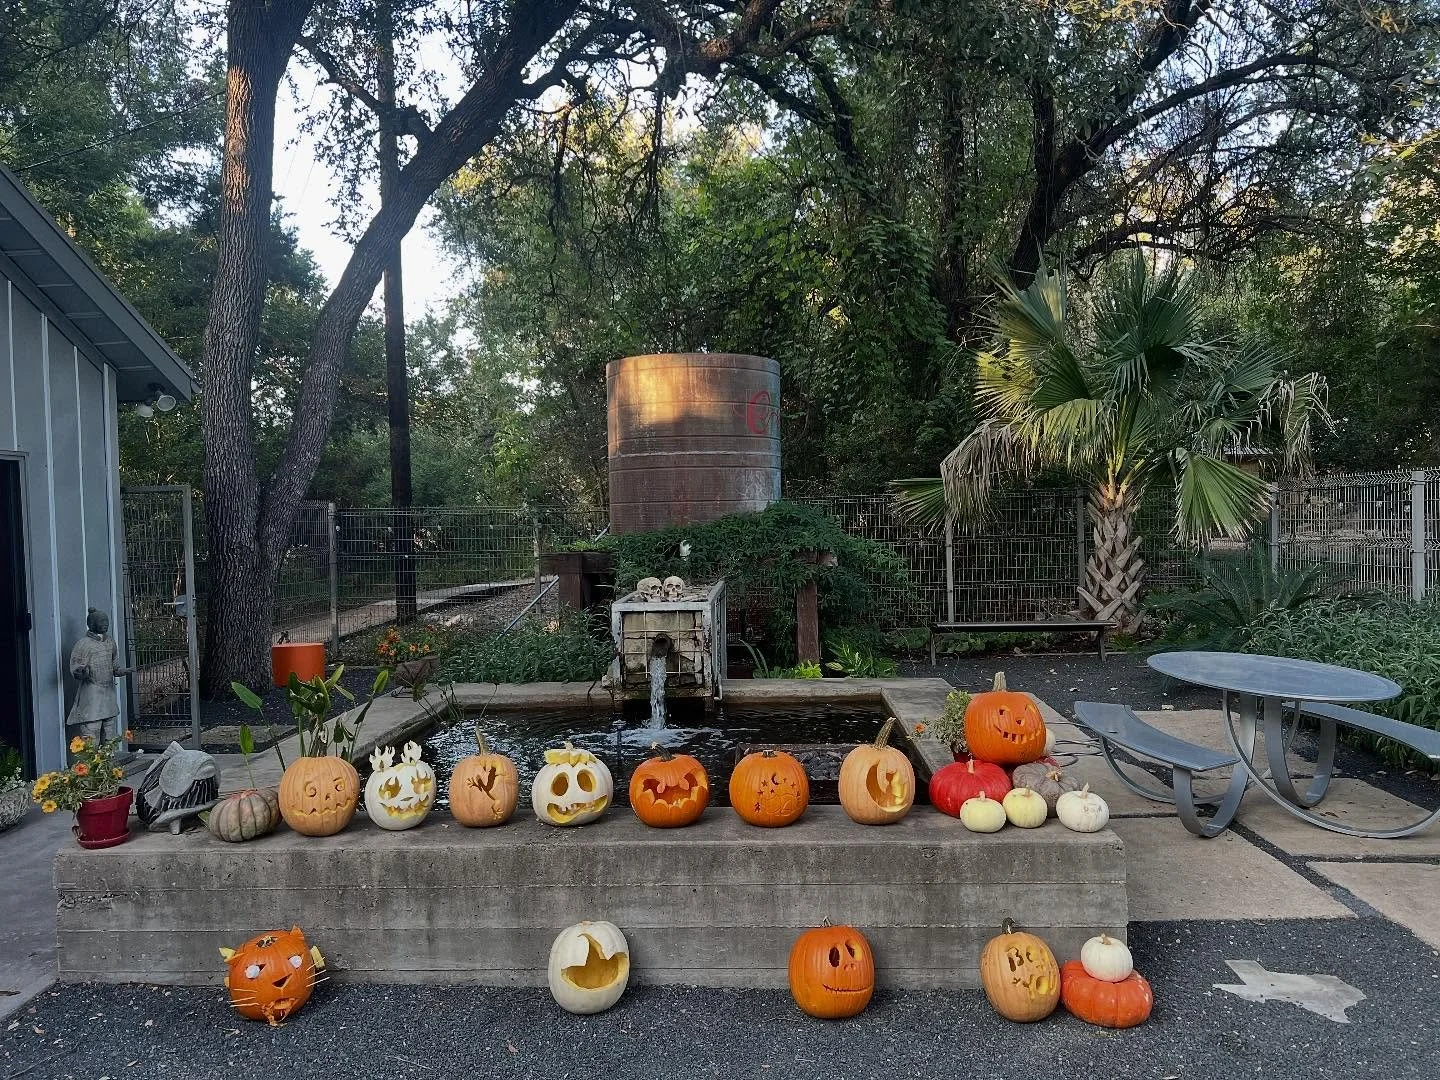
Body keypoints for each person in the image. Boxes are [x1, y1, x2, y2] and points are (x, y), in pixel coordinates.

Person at [65, 608, 132, 744]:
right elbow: (76, 668)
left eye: (106, 621)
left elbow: (115, 668)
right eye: (102, 621)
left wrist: (124, 671)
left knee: (109, 732)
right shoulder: (83, 644)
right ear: (92, 623)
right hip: (92, 694)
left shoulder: (110, 642)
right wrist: (81, 672)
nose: (105, 624)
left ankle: (107, 763)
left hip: (108, 693)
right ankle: (91, 764)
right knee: (91, 730)